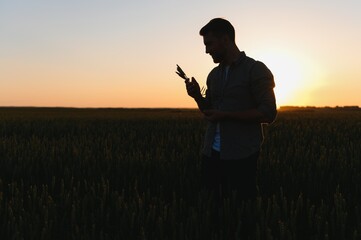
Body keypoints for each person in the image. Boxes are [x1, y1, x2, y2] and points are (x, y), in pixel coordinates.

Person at [185, 18, 277, 200]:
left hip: (241, 155)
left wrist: (227, 115)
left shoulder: (255, 69)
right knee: (212, 210)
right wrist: (197, 96)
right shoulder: (214, 75)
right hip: (210, 154)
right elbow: (210, 112)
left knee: (241, 212)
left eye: (209, 44)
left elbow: (268, 112)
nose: (206, 50)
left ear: (225, 40)